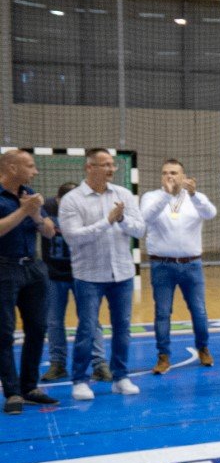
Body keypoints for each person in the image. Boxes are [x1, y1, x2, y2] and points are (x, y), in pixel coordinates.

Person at [58, 148, 146, 401]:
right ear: (89, 168)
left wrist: (121, 220)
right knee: (87, 329)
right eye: (104, 164)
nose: (110, 169)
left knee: (123, 328)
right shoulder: (73, 200)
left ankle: (121, 377)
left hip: (122, 273)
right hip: (88, 276)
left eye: (112, 164)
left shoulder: (123, 194)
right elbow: (73, 237)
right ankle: (80, 380)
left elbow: (140, 230)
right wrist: (107, 221)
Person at [140, 159, 216, 374]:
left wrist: (194, 195)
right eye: (165, 173)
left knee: (199, 310)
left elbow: (210, 213)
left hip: (192, 264)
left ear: (183, 176)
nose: (169, 176)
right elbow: (145, 218)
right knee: (162, 312)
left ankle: (203, 348)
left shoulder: (195, 197)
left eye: (174, 173)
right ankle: (163, 356)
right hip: (161, 265)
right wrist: (166, 195)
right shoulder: (151, 197)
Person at [0, 150, 59, 415]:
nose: (35, 171)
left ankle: (30, 387)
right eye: (30, 166)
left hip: (33, 268)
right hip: (4, 267)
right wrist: (24, 210)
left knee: (37, 328)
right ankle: (12, 392)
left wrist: (35, 214)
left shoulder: (30, 194)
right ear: (12, 168)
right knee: (4, 332)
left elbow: (49, 232)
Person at [42, 182, 106, 383]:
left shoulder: (87, 208)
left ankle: (99, 363)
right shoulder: (46, 207)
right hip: (53, 274)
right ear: (58, 200)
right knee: (53, 321)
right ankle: (57, 364)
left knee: (90, 319)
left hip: (83, 274)